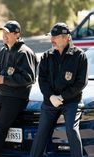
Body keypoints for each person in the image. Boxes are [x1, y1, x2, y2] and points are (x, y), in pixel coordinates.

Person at [0, 20, 37, 157]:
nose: (4, 35)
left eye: (8, 33)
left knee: (0, 130)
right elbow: (2, 72)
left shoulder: (25, 52)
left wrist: (4, 79)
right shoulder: (3, 50)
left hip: (14, 98)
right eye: (3, 32)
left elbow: (29, 78)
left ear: (17, 34)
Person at [29, 22, 88, 157]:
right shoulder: (46, 56)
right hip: (50, 101)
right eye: (51, 37)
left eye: (55, 37)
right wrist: (50, 96)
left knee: (71, 130)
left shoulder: (79, 56)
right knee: (41, 132)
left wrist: (62, 97)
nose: (51, 40)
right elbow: (42, 79)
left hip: (71, 101)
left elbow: (81, 83)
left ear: (66, 37)